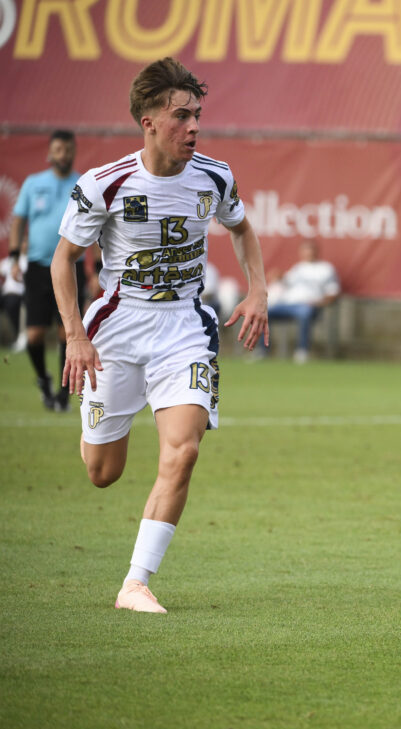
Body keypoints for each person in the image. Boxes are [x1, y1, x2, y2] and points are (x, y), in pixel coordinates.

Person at [52, 57, 270, 614]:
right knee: (103, 473)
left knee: (184, 450)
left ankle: (135, 583)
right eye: (181, 116)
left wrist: (258, 291)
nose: (194, 126)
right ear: (148, 122)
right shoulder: (104, 184)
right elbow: (63, 260)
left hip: (184, 330)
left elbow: (242, 229)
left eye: (197, 115)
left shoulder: (215, 176)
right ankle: (99, 423)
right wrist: (75, 335)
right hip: (116, 333)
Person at [9, 130, 98, 410]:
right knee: (34, 335)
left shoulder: (84, 184)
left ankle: (62, 392)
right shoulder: (33, 184)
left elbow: (96, 230)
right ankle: (43, 378)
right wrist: (14, 257)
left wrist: (96, 269)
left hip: (72, 268)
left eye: (68, 149)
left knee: (66, 333)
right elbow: (18, 221)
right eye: (59, 149)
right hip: (38, 268)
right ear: (50, 153)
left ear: (74, 151)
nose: (64, 154)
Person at [264, 239, 341, 363]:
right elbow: (284, 282)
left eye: (310, 250)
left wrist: (318, 303)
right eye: (305, 250)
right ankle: (262, 351)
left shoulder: (326, 269)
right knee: (264, 313)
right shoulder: (298, 268)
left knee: (304, 313)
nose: (308, 253)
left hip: (309, 306)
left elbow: (333, 293)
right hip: (288, 304)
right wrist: (278, 276)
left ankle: (302, 351)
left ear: (316, 251)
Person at [1, 252, 26, 351]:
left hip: (19, 295)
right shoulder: (9, 261)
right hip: (5, 294)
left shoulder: (26, 261)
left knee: (13, 305)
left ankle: (20, 337)